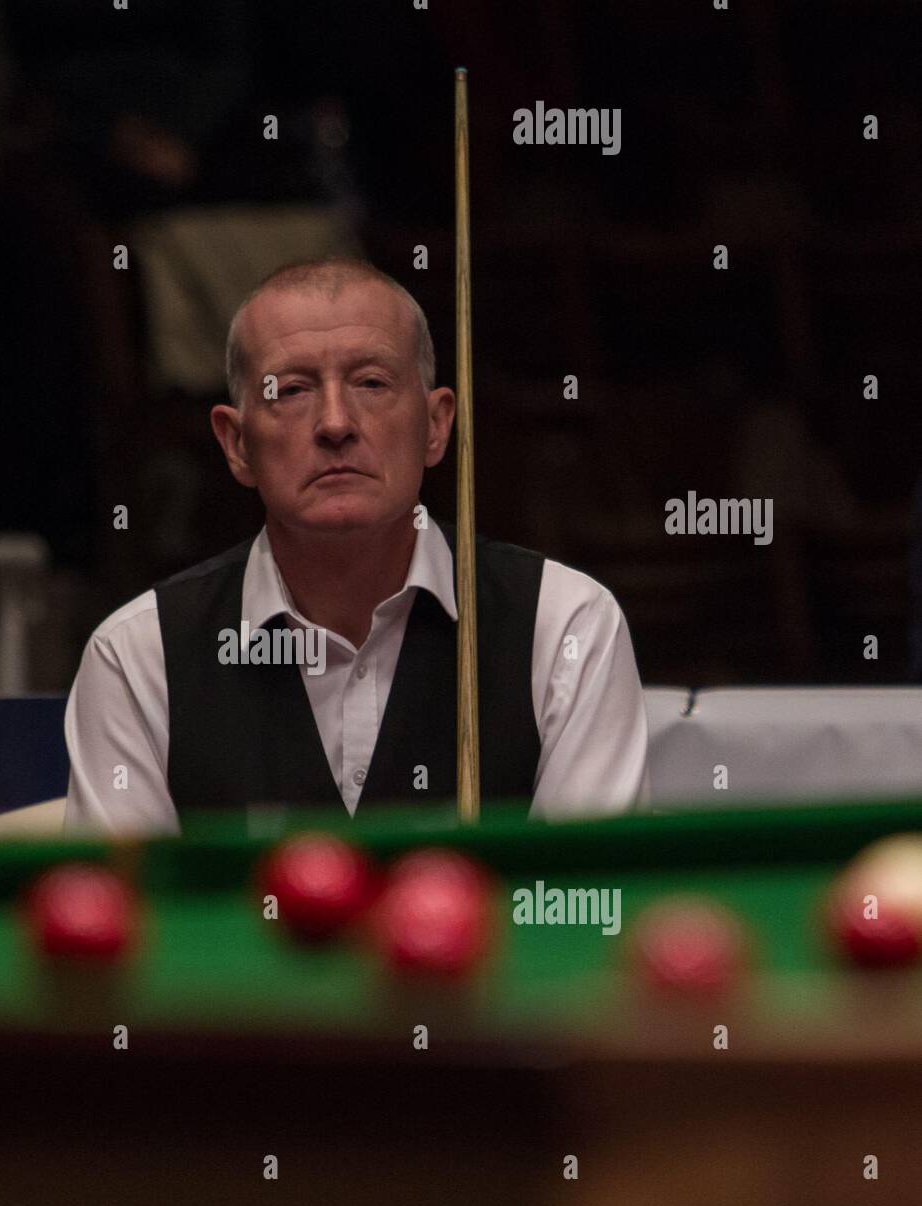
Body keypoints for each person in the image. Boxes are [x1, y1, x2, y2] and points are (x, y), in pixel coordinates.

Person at [63, 258, 649, 835]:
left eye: (372, 383)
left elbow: (585, 903)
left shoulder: (566, 625)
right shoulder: (138, 656)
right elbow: (126, 924)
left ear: (437, 424)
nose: (336, 422)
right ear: (236, 443)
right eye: (290, 390)